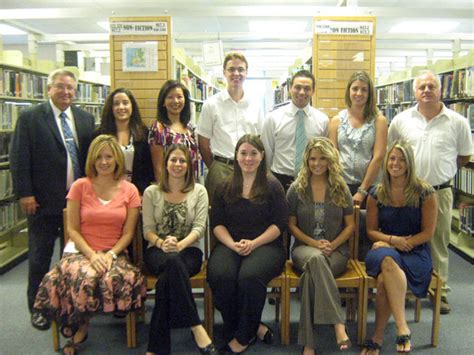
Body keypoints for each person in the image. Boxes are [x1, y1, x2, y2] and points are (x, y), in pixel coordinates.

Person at [32, 135, 146, 355]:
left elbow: (128, 233)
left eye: (109, 156)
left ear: (117, 159)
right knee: (84, 276)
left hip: (113, 253)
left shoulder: (129, 190)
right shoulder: (79, 186)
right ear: (92, 160)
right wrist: (92, 255)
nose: (104, 162)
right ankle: (79, 328)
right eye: (99, 157)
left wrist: (110, 254)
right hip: (80, 252)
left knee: (119, 277)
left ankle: (78, 325)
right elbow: (72, 229)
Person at [9, 68, 95, 330]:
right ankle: (38, 309)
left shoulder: (84, 119)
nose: (66, 91)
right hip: (43, 201)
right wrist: (25, 193)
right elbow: (19, 157)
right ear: (49, 89)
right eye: (60, 86)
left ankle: (68, 307)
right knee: (39, 256)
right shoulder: (31, 118)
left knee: (69, 258)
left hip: (77, 202)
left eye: (70, 87)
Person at [388, 70, 473, 314]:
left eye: (431, 86)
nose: (427, 90)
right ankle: (403, 289)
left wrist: (443, 172)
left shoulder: (458, 122)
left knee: (438, 242)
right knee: (405, 240)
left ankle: (440, 292)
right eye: (422, 87)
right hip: (405, 191)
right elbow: (393, 151)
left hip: (439, 192)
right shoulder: (401, 120)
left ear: (440, 90)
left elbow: (464, 156)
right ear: (415, 92)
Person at [207, 134, 287, 353]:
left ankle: (242, 337)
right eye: (243, 153)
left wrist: (254, 243)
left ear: (262, 156)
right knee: (220, 275)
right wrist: (233, 245)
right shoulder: (224, 185)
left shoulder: (273, 186)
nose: (248, 158)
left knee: (249, 277)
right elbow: (217, 224)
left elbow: (279, 225)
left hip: (266, 245)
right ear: (236, 156)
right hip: (230, 243)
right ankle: (252, 326)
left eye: (253, 153)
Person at [361, 140, 438, 354]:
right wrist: (393, 241)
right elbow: (371, 231)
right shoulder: (377, 193)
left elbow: (428, 232)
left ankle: (376, 336)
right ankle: (402, 328)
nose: (396, 163)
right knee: (387, 259)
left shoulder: (426, 192)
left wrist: (404, 243)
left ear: (409, 163)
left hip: (416, 251)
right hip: (384, 248)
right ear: (386, 162)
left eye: (402, 159)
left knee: (386, 277)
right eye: (392, 158)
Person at [142, 144, 216, 355]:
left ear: (189, 164)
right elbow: (147, 230)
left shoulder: (199, 191)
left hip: (189, 251)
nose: (177, 164)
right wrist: (161, 243)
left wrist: (180, 245)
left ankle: (156, 348)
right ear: (165, 163)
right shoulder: (151, 192)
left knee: (169, 274)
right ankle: (197, 327)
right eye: (173, 160)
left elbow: (200, 228)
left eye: (182, 160)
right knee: (172, 263)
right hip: (157, 251)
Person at [287, 137, 354, 355]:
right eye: (313, 158)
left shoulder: (340, 187)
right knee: (315, 259)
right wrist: (314, 243)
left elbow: (350, 226)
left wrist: (332, 245)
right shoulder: (297, 189)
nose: (317, 163)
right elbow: (291, 226)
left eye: (322, 158)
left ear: (330, 160)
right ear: (306, 160)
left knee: (310, 277)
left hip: (336, 252)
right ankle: (338, 324)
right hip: (304, 249)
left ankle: (309, 344)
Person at [197, 52, 264, 201]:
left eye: (240, 69)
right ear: (224, 73)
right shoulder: (211, 104)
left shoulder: (255, 104)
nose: (236, 73)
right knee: (218, 213)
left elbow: (259, 139)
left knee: (247, 211)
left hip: (249, 167)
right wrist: (214, 166)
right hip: (221, 167)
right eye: (231, 69)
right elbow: (203, 141)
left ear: (246, 72)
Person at [262, 69, 329, 192]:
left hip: (311, 179)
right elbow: (267, 151)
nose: (302, 92)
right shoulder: (273, 118)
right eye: (297, 87)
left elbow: (324, 154)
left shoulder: (322, 120)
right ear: (289, 89)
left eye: (307, 88)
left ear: (313, 91)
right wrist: (270, 180)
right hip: (279, 180)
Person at [328, 71, 388, 207]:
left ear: (370, 94)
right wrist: (339, 186)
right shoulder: (336, 121)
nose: (359, 93)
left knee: (367, 226)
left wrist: (362, 191)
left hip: (371, 187)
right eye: (355, 88)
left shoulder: (379, 121)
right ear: (349, 91)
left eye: (364, 90)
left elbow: (378, 157)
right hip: (342, 187)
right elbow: (333, 156)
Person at [94, 87, 154, 194]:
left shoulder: (143, 133)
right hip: (107, 192)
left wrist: (141, 192)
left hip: (136, 192)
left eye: (125, 103)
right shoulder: (99, 135)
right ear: (111, 108)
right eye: (116, 104)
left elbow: (147, 168)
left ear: (132, 106)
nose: (121, 107)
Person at [149, 80, 200, 181]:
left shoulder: (189, 128)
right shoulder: (158, 128)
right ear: (163, 102)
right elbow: (158, 167)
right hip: (170, 188)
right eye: (170, 97)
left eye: (179, 97)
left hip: (190, 185)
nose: (176, 101)